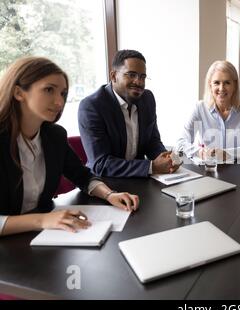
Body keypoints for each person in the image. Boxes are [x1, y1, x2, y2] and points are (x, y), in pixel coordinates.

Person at [0, 57, 139, 236]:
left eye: (63, 93)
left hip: (45, 238)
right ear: (19, 92)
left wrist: (109, 194)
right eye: (49, 90)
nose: (59, 102)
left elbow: (82, 176)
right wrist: (41, 220)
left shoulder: (54, 136)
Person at [78, 49, 179, 178]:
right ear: (113, 76)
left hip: (140, 179)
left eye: (142, 76)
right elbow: (100, 164)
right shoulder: (92, 106)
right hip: (106, 184)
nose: (139, 82)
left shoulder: (147, 98)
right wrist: (151, 166)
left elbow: (152, 142)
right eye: (131, 75)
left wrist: (168, 159)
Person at [176, 60, 240, 161]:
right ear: (210, 85)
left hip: (239, 170)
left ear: (234, 85)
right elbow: (181, 143)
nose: (221, 88)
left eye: (227, 83)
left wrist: (227, 154)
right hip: (208, 169)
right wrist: (200, 152)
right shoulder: (199, 108)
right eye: (216, 83)